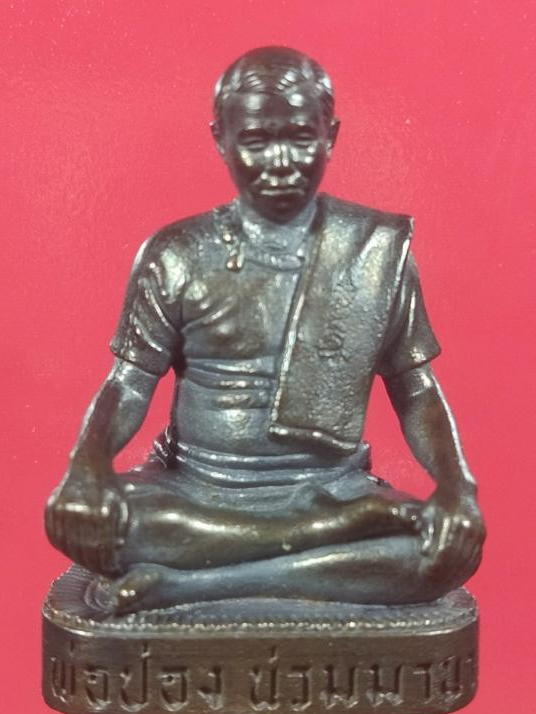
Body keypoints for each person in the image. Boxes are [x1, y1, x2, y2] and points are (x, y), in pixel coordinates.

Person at [45, 47, 485, 614]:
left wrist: (457, 488)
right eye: (255, 140)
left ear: (330, 135)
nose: (280, 162)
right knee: (96, 524)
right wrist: (85, 471)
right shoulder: (176, 254)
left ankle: (188, 587)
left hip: (330, 484)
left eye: (301, 137)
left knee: (442, 553)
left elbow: (416, 388)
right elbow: (129, 383)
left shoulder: (373, 253)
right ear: (221, 140)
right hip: (197, 491)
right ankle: (333, 533)